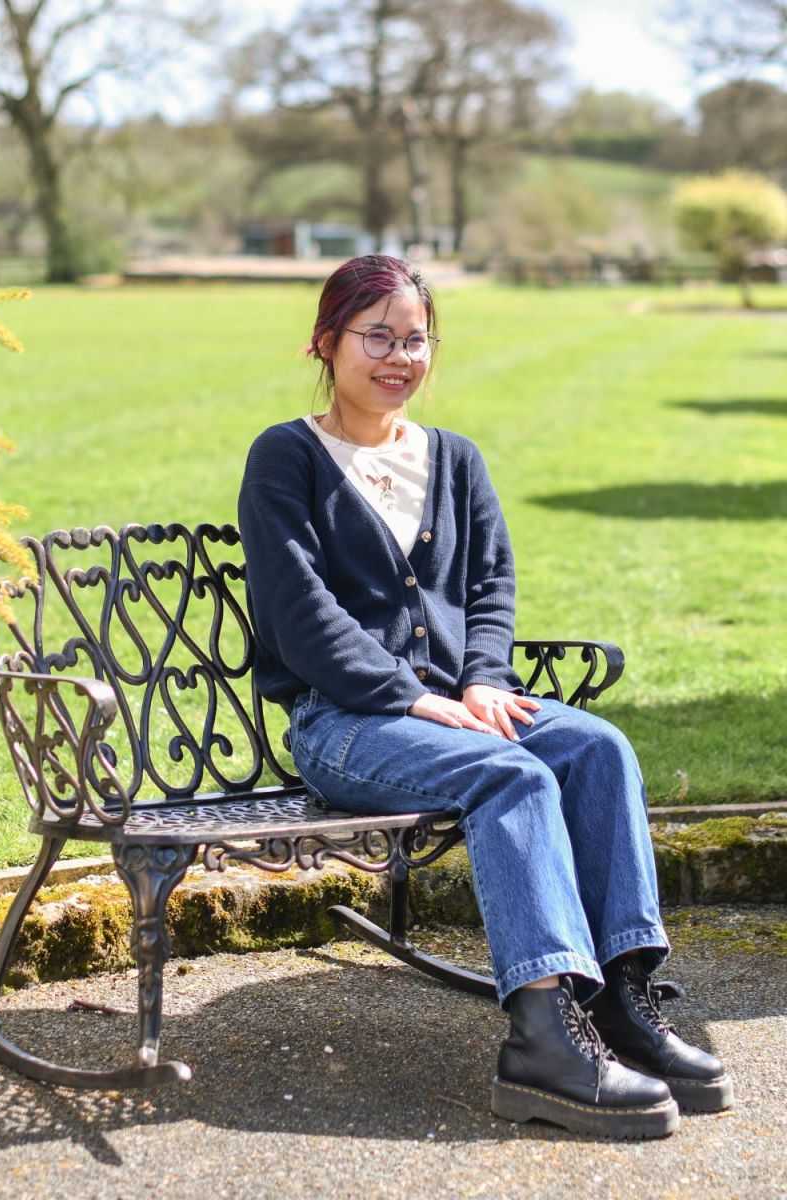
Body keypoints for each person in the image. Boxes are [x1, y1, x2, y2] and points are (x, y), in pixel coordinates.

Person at [237, 254, 732, 1138]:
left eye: (416, 339)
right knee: (511, 777)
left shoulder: (456, 460)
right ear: (326, 342)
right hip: (346, 723)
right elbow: (296, 611)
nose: (399, 356)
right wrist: (412, 698)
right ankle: (541, 1039)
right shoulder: (288, 457)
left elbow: (491, 588)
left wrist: (482, 679)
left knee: (597, 747)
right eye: (376, 337)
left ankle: (618, 1001)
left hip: (461, 707)